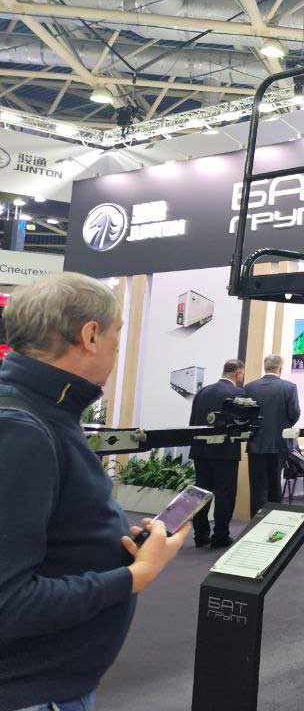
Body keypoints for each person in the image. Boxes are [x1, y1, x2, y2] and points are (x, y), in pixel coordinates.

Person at [0, 273, 188, 711]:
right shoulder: (23, 427)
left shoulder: (41, 410)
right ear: (90, 335)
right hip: (31, 693)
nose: (116, 350)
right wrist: (135, 576)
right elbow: (8, 604)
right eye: (117, 336)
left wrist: (109, 546)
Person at [187, 359, 245, 549]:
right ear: (238, 373)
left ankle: (200, 535)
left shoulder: (202, 392)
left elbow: (192, 422)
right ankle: (220, 536)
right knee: (224, 495)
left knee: (201, 493)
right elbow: (242, 424)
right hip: (225, 452)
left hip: (200, 450)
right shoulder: (237, 394)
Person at [242, 353, 300, 515]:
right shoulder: (289, 387)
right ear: (280, 368)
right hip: (279, 444)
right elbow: (294, 414)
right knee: (275, 486)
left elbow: (244, 416)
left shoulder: (249, 387)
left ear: (265, 367)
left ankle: (255, 522)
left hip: (255, 443)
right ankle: (272, 522)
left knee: (257, 487)